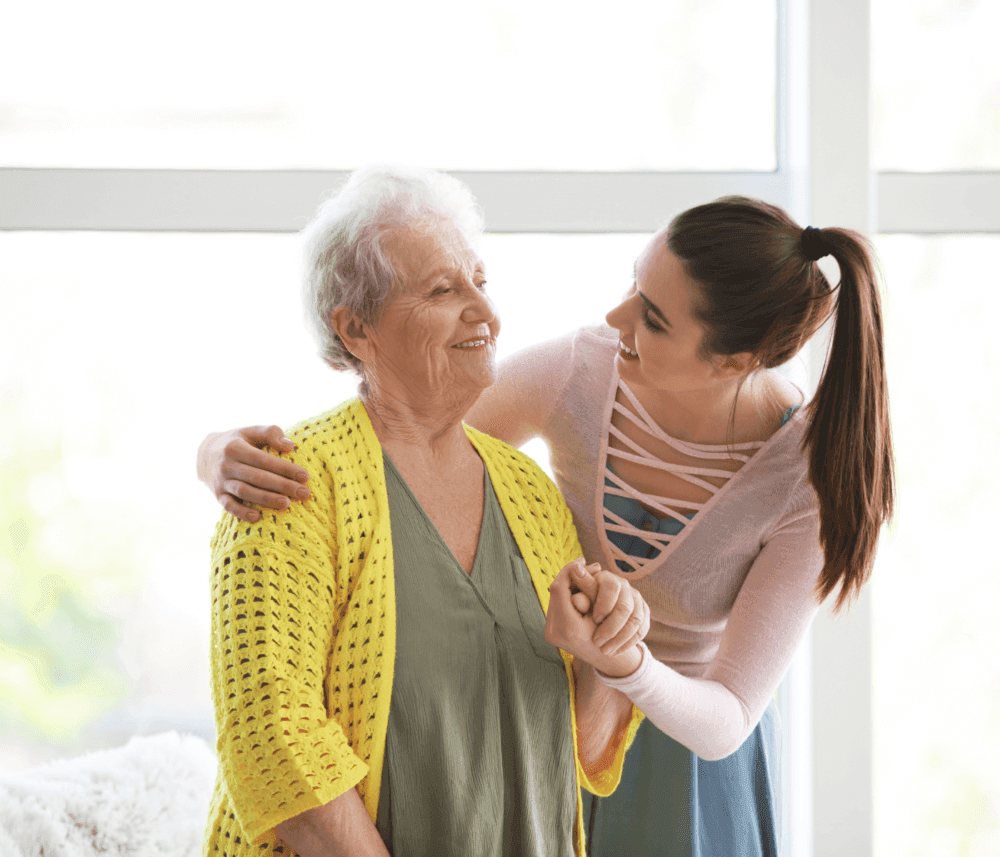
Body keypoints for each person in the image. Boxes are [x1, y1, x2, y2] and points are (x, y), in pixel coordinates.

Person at [199, 193, 895, 857]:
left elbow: (726, 718)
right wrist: (216, 456)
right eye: (633, 284)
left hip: (669, 752)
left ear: (735, 361)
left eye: (653, 317)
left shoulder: (807, 481)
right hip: (555, 723)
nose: (615, 316)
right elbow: (404, 434)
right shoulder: (585, 370)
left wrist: (622, 661)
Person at [202, 165, 651, 857]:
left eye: (481, 282)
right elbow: (272, 735)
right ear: (355, 328)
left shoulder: (529, 492)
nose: (486, 313)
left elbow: (575, 748)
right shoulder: (287, 485)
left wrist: (611, 661)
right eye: (444, 289)